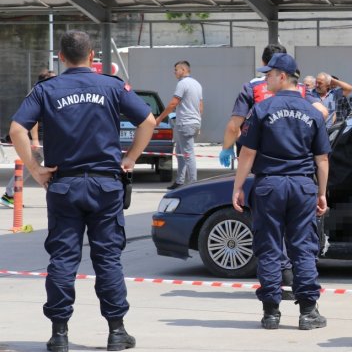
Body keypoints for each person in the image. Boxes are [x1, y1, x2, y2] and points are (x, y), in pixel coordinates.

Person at [9, 30, 156, 351]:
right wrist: (130, 158)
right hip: (105, 185)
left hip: (64, 185)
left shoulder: (46, 89)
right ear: (93, 57)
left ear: (60, 58)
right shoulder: (111, 86)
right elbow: (147, 120)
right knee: (107, 259)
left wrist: (35, 169)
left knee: (63, 259)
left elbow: (17, 128)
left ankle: (59, 334)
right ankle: (116, 332)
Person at [219, 44, 328, 300]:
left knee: (268, 248)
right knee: (303, 248)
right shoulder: (311, 109)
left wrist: (238, 186)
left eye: (268, 74)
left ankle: (271, 310)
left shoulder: (260, 109)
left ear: (281, 76)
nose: (264, 79)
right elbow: (322, 158)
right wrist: (321, 192)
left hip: (270, 185)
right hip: (302, 186)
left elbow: (247, 152)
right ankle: (308, 310)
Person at [1, 69, 55, 208]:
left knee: (28, 168)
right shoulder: (40, 94)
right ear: (46, 80)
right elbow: (34, 120)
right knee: (54, 168)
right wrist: (36, 140)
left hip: (41, 139)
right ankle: (58, 197)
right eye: (54, 78)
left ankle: (9, 195)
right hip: (41, 140)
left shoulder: (43, 93)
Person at [155, 60, 203, 190]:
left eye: (176, 70)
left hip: (185, 123)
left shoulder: (182, 84)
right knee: (180, 152)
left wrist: (159, 118)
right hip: (193, 122)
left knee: (188, 154)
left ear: (183, 70)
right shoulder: (197, 84)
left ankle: (193, 184)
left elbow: (173, 104)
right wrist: (198, 122)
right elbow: (200, 106)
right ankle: (180, 181)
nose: (174, 72)